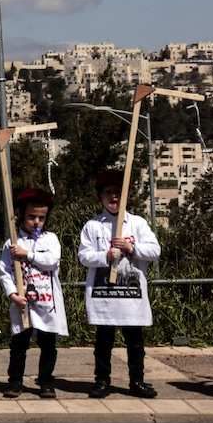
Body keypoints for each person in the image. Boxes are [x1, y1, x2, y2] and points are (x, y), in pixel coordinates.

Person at [78, 170, 161, 399]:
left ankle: (137, 381)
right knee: (103, 342)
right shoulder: (93, 226)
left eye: (118, 193)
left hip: (131, 296)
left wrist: (131, 249)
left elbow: (155, 251)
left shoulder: (138, 224)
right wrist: (105, 256)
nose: (114, 197)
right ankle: (102, 380)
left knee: (135, 343)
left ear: (126, 196)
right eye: (108, 193)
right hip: (105, 296)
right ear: (100, 198)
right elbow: (84, 256)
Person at [0, 188, 66, 399]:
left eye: (41, 217)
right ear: (21, 215)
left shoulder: (51, 239)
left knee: (48, 344)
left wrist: (27, 254)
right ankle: (15, 382)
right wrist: (12, 295)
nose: (36, 221)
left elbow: (52, 261)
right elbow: (5, 272)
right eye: (31, 217)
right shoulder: (11, 242)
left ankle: (46, 381)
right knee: (19, 344)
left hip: (47, 303)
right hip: (22, 303)